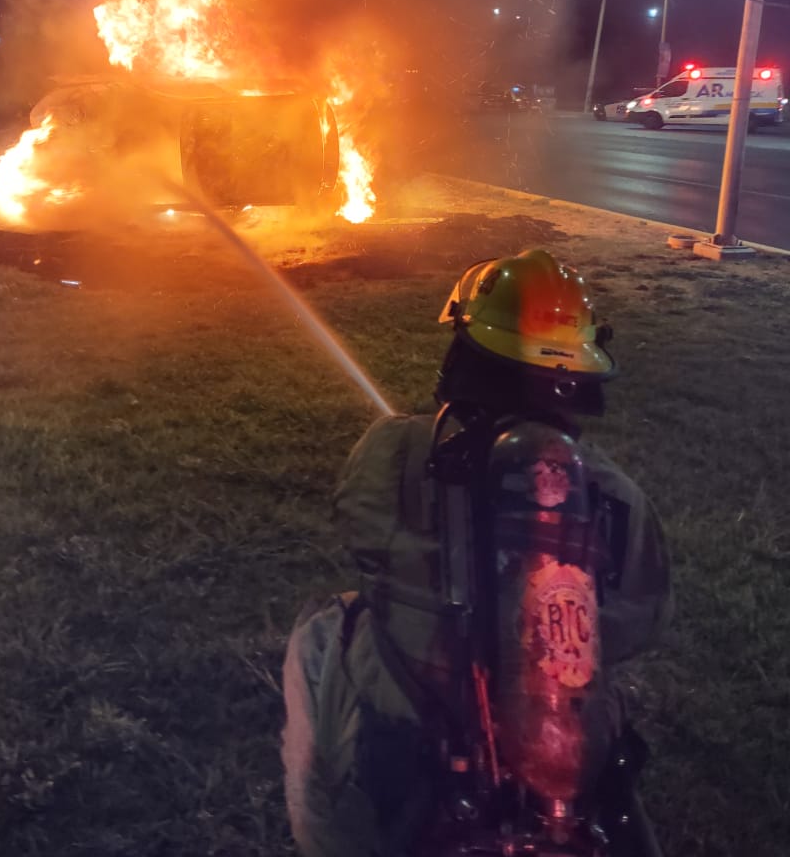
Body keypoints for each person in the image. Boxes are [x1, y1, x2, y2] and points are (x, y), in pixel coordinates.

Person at [281, 248, 672, 857]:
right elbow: (639, 620)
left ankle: (332, 835)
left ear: (469, 350)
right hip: (566, 776)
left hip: (411, 746)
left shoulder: (398, 448)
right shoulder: (616, 494)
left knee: (322, 630)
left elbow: (360, 534)